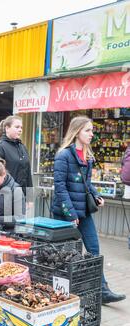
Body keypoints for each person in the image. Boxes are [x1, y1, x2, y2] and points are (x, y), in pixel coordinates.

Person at [53, 116, 126, 305]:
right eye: (88, 130)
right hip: (65, 214)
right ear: (77, 131)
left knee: (94, 249)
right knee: (64, 254)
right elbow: (60, 187)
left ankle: (102, 290)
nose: (92, 134)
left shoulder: (88, 156)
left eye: (92, 130)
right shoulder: (64, 155)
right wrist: (70, 214)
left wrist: (96, 195)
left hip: (83, 212)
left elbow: (87, 184)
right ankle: (61, 291)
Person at [0, 116, 32, 196]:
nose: (20, 130)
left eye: (21, 127)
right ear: (7, 128)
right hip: (4, 196)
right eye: (17, 127)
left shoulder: (22, 147)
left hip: (21, 196)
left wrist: (30, 197)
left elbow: (28, 175)